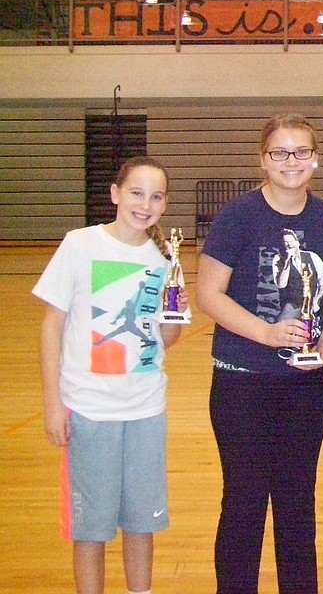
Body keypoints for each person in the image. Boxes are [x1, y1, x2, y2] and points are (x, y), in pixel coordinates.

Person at [195, 114, 323, 594]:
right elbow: (208, 294)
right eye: (280, 152)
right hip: (242, 380)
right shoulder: (238, 217)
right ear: (263, 159)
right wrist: (266, 334)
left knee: (297, 500)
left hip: (305, 385)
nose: (291, 162)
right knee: (243, 499)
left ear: (315, 158)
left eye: (301, 151)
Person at [36, 155, 188, 594]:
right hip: (88, 410)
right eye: (137, 193)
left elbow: (165, 337)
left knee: (143, 521)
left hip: (145, 409)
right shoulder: (80, 244)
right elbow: (51, 325)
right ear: (116, 194)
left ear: (165, 204)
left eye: (156, 196)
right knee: (92, 526)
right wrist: (53, 405)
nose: (146, 204)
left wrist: (174, 313)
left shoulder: (163, 259)